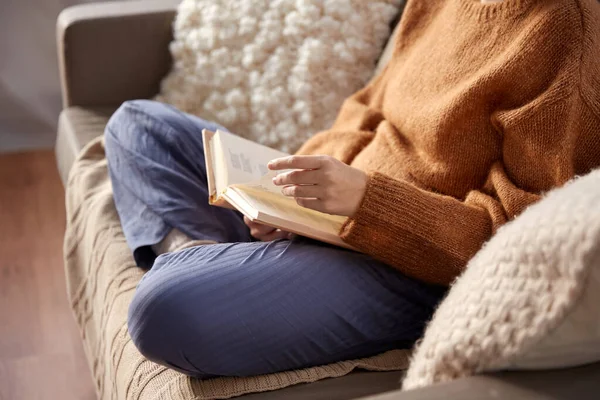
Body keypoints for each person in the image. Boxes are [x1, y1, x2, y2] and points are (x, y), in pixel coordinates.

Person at [104, 0, 600, 378]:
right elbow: (368, 106)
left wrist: (368, 203)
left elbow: (514, 241)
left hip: (406, 266)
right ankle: (214, 259)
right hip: (332, 209)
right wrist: (291, 196)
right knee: (136, 127)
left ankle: (213, 269)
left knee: (160, 310)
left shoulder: (566, 35)